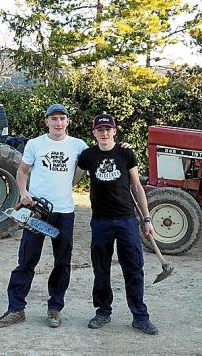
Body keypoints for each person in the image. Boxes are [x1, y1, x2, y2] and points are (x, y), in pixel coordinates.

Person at [0, 103, 88, 329]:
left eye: (62, 119)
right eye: (53, 119)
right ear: (46, 121)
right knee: (26, 260)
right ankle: (16, 309)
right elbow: (22, 171)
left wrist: (69, 185)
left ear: (68, 122)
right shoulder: (35, 144)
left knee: (62, 262)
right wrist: (24, 192)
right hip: (37, 212)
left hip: (64, 212)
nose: (58, 123)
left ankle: (55, 308)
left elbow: (88, 165)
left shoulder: (78, 146)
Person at [77, 113, 159, 335]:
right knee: (101, 268)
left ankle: (140, 316)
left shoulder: (126, 153)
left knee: (133, 268)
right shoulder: (87, 156)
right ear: (94, 132)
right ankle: (103, 311)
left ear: (114, 131)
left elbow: (137, 187)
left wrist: (147, 218)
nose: (104, 133)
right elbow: (72, 179)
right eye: (99, 130)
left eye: (107, 129)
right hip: (101, 222)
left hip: (126, 220)